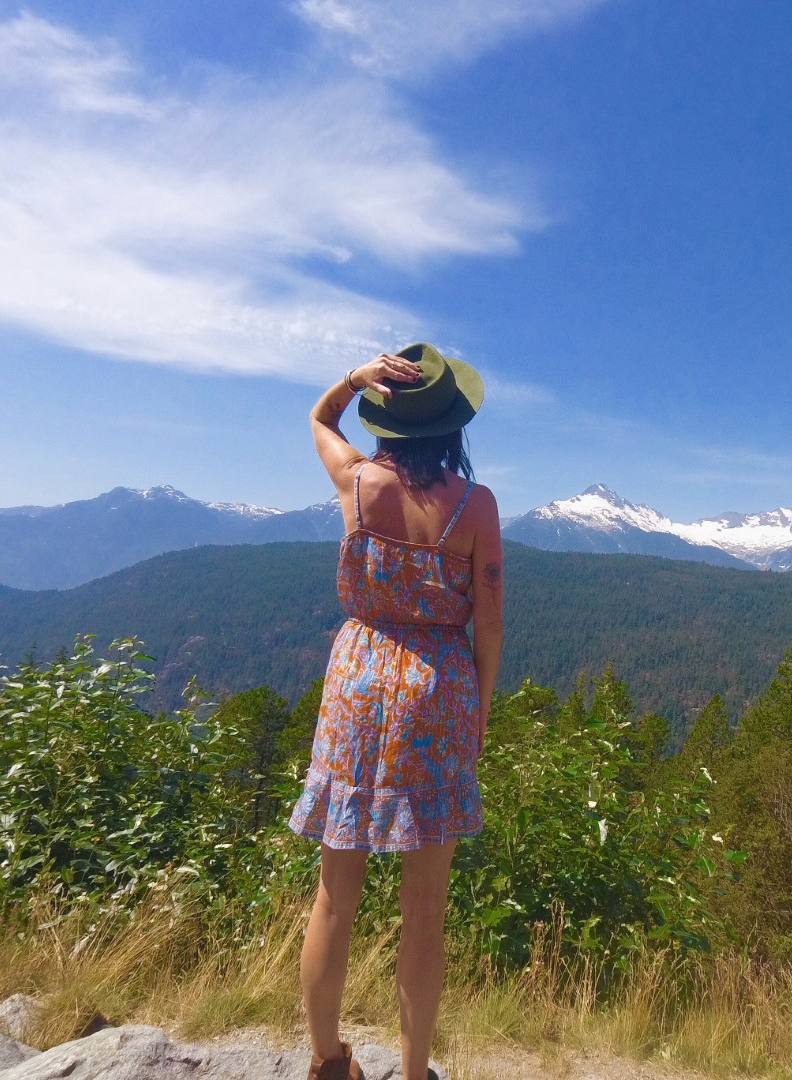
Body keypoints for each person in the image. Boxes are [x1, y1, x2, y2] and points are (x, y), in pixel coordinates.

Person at [290, 343, 504, 1080]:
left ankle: (326, 1062)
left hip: (355, 679)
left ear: (385, 414)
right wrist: (477, 711)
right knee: (425, 907)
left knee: (334, 895)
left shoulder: (354, 480)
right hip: (437, 690)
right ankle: (413, 1074)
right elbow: (490, 621)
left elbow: (318, 417)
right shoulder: (475, 507)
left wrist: (354, 378)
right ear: (452, 425)